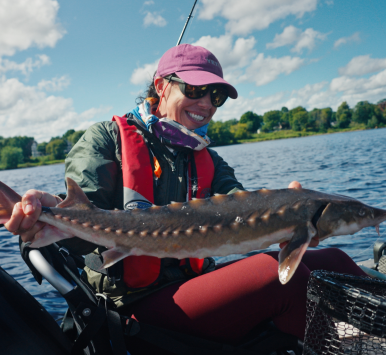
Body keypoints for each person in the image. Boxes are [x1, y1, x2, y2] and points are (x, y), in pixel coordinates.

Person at [4, 44, 366, 347]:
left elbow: (243, 207)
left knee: (332, 262)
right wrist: (50, 215)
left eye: (216, 95)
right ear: (161, 86)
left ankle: (373, 340)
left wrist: (290, 215)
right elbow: (85, 222)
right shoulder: (107, 139)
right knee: (276, 277)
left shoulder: (208, 158)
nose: (206, 102)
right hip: (133, 310)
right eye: (194, 89)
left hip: (196, 287)